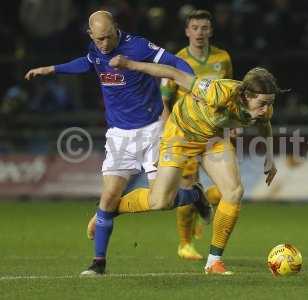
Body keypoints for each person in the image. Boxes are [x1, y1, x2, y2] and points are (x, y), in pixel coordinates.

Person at [25, 10, 212, 276]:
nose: (103, 44)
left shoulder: (137, 46)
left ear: (116, 29)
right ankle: (98, 263)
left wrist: (196, 87)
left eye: (108, 37)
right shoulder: (95, 49)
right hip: (119, 136)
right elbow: (87, 62)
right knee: (109, 196)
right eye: (98, 39)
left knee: (161, 202)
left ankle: (194, 195)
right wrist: (52, 69)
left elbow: (173, 62)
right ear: (91, 35)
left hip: (153, 131)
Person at [108, 54, 279, 275]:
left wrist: (270, 158)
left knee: (234, 192)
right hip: (180, 135)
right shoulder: (217, 91)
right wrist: (129, 64)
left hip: (212, 140)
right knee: (160, 202)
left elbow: (265, 125)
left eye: (270, 104)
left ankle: (213, 262)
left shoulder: (263, 109)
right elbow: (173, 73)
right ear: (246, 95)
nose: (266, 110)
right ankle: (109, 209)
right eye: (263, 104)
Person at [160, 9, 233, 261]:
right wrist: (167, 129)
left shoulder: (222, 58)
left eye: (204, 28)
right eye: (195, 28)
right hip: (187, 134)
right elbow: (165, 99)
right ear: (187, 31)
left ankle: (202, 199)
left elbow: (229, 93)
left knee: (230, 191)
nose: (200, 33)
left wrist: (231, 124)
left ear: (211, 31)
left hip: (215, 134)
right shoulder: (177, 60)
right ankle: (185, 244)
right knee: (187, 186)